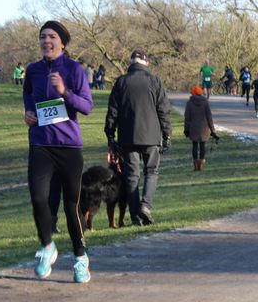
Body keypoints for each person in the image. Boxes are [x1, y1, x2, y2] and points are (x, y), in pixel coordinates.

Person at [22, 20, 93, 283]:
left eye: (52, 36)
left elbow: (87, 107)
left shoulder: (74, 70)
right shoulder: (33, 70)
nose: (46, 41)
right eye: (42, 37)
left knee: (71, 206)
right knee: (39, 198)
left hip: (69, 147)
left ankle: (80, 257)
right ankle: (47, 246)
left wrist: (65, 92)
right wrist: (28, 113)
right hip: (40, 143)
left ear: (62, 42)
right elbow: (28, 96)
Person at [105, 49, 172, 226]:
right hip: (151, 136)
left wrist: (110, 135)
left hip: (127, 137)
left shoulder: (121, 82)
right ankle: (146, 206)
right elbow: (163, 111)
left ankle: (135, 215)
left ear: (131, 62)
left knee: (131, 175)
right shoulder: (155, 81)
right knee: (151, 171)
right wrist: (167, 134)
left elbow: (112, 111)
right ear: (147, 63)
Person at [183, 85, 219, 171]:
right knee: (202, 146)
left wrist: (186, 129)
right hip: (204, 128)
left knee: (194, 145)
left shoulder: (189, 102)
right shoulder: (205, 102)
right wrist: (212, 130)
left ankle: (195, 165)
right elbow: (209, 117)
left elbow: (187, 117)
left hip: (193, 128)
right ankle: (201, 165)